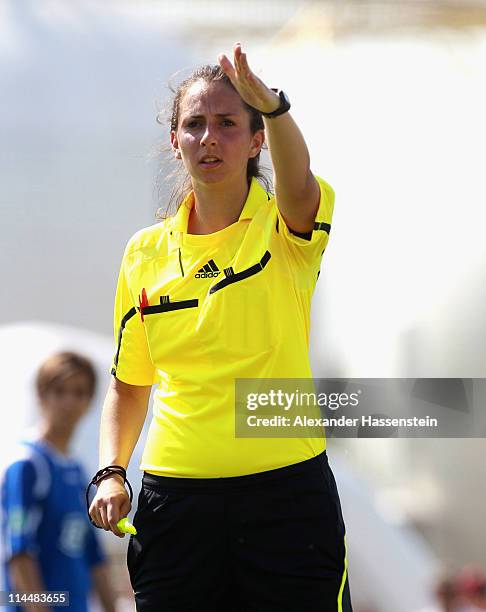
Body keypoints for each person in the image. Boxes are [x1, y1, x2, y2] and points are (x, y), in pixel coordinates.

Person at [88, 42, 352, 612]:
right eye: (195, 124)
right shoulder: (143, 254)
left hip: (287, 499)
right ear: (174, 141)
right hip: (175, 506)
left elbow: (300, 184)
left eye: (228, 124)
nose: (209, 138)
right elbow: (130, 384)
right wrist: (111, 471)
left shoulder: (284, 227)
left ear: (257, 140)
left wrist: (275, 108)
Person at [1, 351, 116, 612]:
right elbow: (18, 553)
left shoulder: (78, 472)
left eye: (79, 393)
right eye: (59, 391)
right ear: (41, 395)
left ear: (89, 402)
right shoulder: (28, 465)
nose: (69, 402)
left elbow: (94, 556)